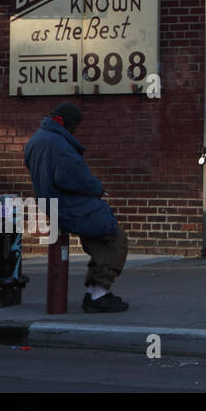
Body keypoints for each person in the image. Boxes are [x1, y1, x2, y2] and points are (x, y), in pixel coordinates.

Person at [24, 102, 130, 313]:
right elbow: (76, 177)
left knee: (98, 239)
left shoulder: (36, 140)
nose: (75, 130)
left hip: (53, 203)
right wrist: (99, 188)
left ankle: (96, 292)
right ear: (65, 123)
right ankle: (98, 293)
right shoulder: (59, 145)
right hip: (70, 206)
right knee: (116, 237)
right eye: (74, 126)